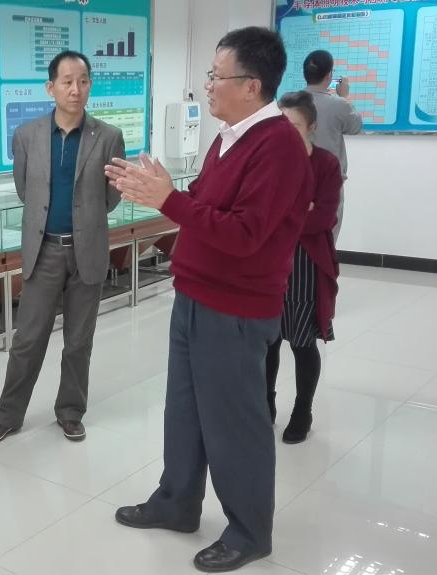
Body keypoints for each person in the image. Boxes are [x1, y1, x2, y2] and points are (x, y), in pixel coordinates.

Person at [105, 27, 313, 572]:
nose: (208, 86)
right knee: (185, 411)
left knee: (234, 423)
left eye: (216, 76)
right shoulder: (229, 137)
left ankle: (249, 530)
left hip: (236, 309)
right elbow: (204, 204)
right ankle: (177, 502)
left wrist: (170, 201)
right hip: (195, 294)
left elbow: (244, 234)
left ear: (252, 85)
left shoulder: (278, 147)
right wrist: (165, 191)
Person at [0, 50, 126, 445]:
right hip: (43, 250)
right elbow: (25, 190)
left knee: (79, 341)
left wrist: (84, 219)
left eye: (83, 81)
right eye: (67, 81)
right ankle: (8, 416)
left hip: (87, 250)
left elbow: (111, 196)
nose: (76, 89)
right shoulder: (27, 135)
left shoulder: (108, 136)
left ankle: (71, 412)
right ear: (51, 87)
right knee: (27, 340)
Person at [266, 91, 342, 444]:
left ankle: (302, 409)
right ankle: (265, 402)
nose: (286, 131)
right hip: (267, 261)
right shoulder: (268, 161)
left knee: (300, 341)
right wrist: (300, 210)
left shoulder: (325, 164)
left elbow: (323, 218)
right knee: (266, 341)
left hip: (304, 264)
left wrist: (283, 215)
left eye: (294, 125)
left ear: (311, 127)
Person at [302, 50, 362, 239]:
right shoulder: (339, 105)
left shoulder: (289, 102)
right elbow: (355, 127)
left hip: (296, 179)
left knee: (295, 234)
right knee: (327, 235)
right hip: (328, 182)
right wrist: (344, 96)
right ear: (329, 75)